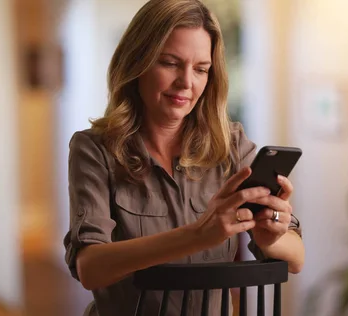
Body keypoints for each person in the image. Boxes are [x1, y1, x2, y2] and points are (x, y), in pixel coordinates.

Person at [63, 0, 304, 315]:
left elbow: (296, 258)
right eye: (170, 63)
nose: (186, 83)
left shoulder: (233, 147)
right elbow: (90, 268)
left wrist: (269, 235)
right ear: (137, 62)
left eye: (201, 69)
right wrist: (199, 235)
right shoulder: (94, 150)